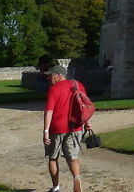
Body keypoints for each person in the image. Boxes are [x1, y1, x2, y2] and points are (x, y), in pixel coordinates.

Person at [43, 64, 91, 192]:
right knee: (72, 157)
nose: (49, 78)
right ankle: (76, 178)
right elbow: (84, 106)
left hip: (57, 128)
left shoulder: (54, 89)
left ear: (58, 75)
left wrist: (45, 131)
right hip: (75, 126)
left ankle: (56, 187)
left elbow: (49, 111)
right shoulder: (78, 84)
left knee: (53, 158)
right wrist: (87, 122)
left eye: (51, 75)